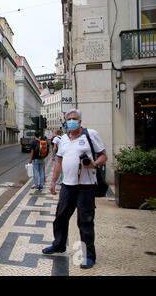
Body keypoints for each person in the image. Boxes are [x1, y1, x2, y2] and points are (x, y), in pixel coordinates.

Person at [42, 109, 108, 270]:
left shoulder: (90, 134)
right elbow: (59, 162)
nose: (71, 121)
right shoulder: (63, 139)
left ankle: (89, 255)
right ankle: (58, 245)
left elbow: (103, 155)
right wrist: (52, 182)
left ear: (80, 121)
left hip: (86, 187)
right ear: (65, 121)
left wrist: (95, 164)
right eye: (69, 119)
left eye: (74, 118)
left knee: (85, 221)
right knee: (60, 217)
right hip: (67, 185)